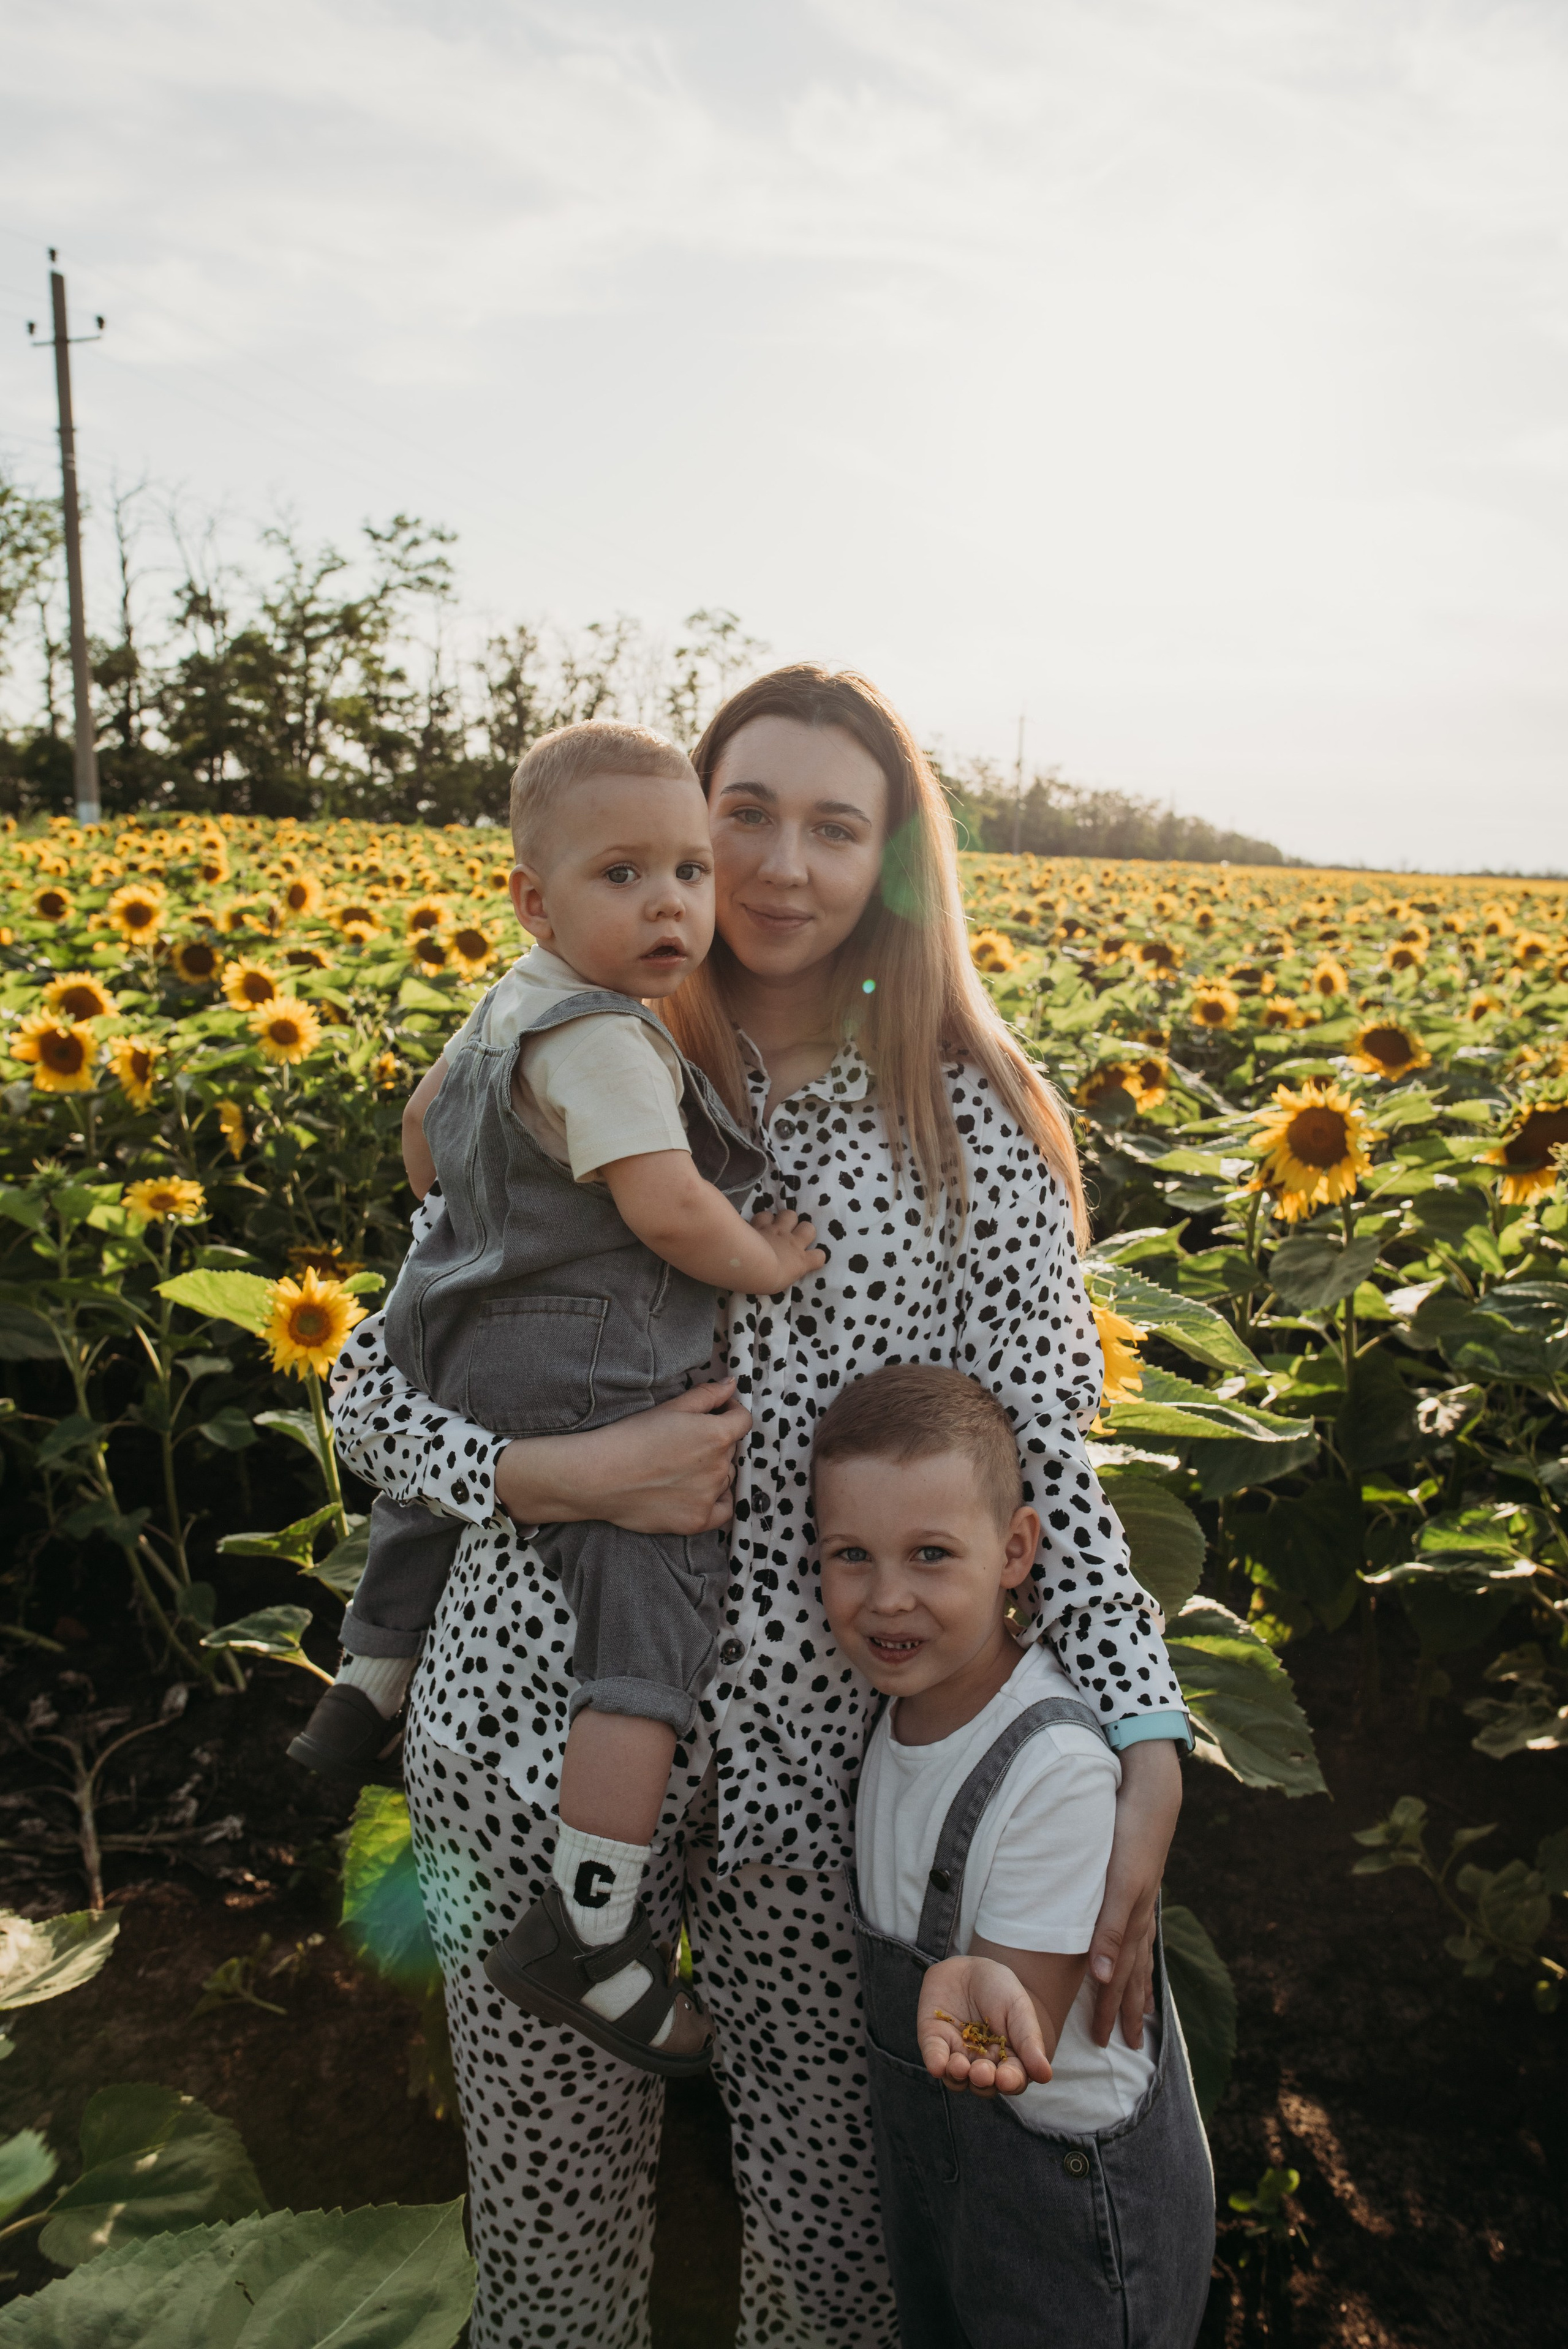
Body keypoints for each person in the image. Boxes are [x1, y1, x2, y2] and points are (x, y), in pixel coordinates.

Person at [331, 664, 1190, 2349]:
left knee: (837, 2253)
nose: (785, 867)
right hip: (529, 1732)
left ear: (895, 863)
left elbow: (1047, 1464)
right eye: (746, 818)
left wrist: (1144, 1726)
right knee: (552, 2252)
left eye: (837, 825)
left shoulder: (976, 1128)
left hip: (830, 1782)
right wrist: (550, 1474)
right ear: (679, 838)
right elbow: (372, 1392)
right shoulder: (566, 1071)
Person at [293, 719, 825, 2070]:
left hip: (464, 1325)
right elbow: (666, 1208)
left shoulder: (508, 1003)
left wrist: (481, 1229)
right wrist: (760, 1255)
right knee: (645, 1640)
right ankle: (589, 1929)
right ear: (535, 897)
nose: (672, 904)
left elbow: (423, 1134)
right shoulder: (607, 1043)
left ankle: (365, 1679)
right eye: (625, 875)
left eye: (686, 872)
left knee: (429, 1496)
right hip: (597, 1372)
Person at [815, 1362, 1214, 2349]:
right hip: (956, 2192)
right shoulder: (892, 1723)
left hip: (1074, 2222)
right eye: (852, 1555)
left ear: (1017, 1550)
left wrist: (972, 1997)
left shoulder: (1058, 1770)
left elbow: (1019, 2024)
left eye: (932, 1554)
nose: (888, 1598)